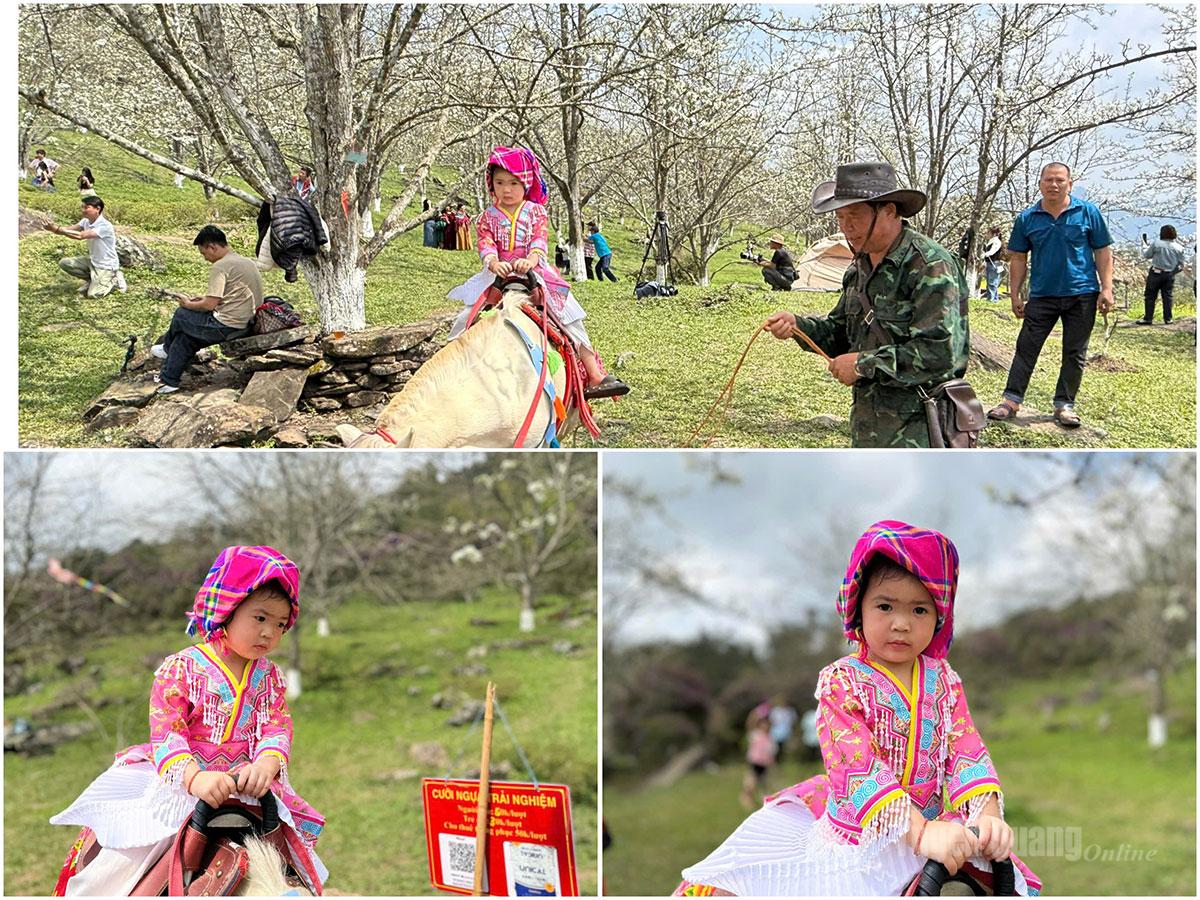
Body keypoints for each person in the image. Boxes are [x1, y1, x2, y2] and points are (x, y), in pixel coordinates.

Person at [674, 521, 1042, 897]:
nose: (901, 623)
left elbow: (965, 746)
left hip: (935, 831)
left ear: (940, 616)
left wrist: (986, 814)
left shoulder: (945, 680)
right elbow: (857, 764)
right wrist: (919, 831)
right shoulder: (842, 682)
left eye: (919, 609)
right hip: (862, 840)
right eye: (885, 606)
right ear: (857, 608)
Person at [50, 546, 326, 896]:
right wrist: (194, 777)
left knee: (299, 863)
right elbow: (168, 731)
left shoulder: (270, 677)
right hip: (185, 784)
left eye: (281, 624)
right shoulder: (182, 669)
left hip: (247, 787)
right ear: (227, 609)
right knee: (121, 864)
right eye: (260, 618)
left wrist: (266, 764)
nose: (270, 632)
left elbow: (277, 726)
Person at [763, 162, 968, 448]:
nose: (846, 226)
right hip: (868, 427)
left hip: (922, 431)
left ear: (889, 211)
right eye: (840, 216)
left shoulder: (930, 265)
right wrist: (799, 326)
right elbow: (840, 333)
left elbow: (939, 354)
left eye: (855, 215)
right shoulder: (858, 268)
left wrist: (862, 364)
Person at [447, 146, 630, 399]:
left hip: (535, 271)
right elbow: (486, 244)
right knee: (465, 317)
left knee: (570, 315)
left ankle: (594, 374)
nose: (506, 189)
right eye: (500, 183)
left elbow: (539, 241)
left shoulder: (536, 212)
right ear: (491, 184)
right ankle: (449, 366)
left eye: (513, 183)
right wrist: (493, 263)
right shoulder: (487, 217)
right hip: (497, 274)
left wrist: (531, 260)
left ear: (525, 182)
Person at [986, 163, 1113, 429]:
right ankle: (1011, 401)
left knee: (1074, 352)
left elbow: (1102, 251)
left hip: (1082, 293)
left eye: (1059, 180)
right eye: (1048, 180)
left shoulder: (1088, 212)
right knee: (1026, 348)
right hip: (1042, 295)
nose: (1054, 185)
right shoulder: (1027, 218)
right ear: (1040, 183)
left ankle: (1064, 405)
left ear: (1069, 183)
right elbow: (1018, 258)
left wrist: (1107, 288)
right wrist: (1015, 294)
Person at [151, 225, 259, 394]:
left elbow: (209, 305)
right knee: (186, 338)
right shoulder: (246, 262)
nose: (205, 258)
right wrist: (202, 299)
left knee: (181, 314)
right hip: (246, 323)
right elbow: (229, 296)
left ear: (212, 247)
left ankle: (166, 348)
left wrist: (187, 304)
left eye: (204, 253)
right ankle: (170, 380)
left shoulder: (221, 266)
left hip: (226, 325)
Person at [44, 195, 126, 298]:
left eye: (86, 207)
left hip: (106, 266)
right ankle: (93, 279)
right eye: (82, 207)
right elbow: (69, 230)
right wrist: (54, 229)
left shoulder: (105, 226)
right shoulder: (85, 221)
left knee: (93, 295)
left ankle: (115, 279)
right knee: (65, 263)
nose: (83, 210)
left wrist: (58, 229)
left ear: (97, 209)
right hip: (93, 261)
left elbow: (80, 236)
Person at [1136, 225, 1186, 325]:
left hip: (1156, 272)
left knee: (1150, 296)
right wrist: (1173, 272)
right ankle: (1168, 319)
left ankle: (1148, 318)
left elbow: (1147, 255)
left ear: (1162, 233)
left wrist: (1144, 245)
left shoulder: (1157, 243)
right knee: (1167, 297)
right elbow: (1181, 265)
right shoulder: (1179, 247)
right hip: (1169, 274)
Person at [741, 715, 776, 811]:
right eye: (763, 724)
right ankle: (746, 798)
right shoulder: (755, 734)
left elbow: (771, 751)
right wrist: (754, 714)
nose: (765, 726)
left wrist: (772, 762)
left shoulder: (769, 737)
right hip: (755, 761)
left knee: (763, 783)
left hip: (764, 763)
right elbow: (749, 725)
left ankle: (764, 801)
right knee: (751, 781)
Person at [767, 697, 797, 763]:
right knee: (775, 749)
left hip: (787, 732)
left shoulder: (790, 711)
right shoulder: (775, 711)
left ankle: (784, 761)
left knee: (786, 748)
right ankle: (776, 761)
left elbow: (793, 722)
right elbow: (771, 721)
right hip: (776, 733)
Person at [981, 226, 1003, 303]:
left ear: (993, 234)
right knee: (991, 281)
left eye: (988, 232)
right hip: (990, 263)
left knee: (992, 282)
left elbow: (993, 251)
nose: (987, 234)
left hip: (994, 263)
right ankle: (994, 299)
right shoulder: (991, 241)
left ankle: (991, 299)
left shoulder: (996, 241)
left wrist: (985, 254)